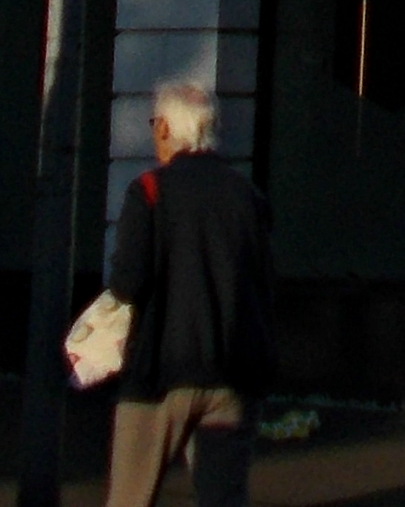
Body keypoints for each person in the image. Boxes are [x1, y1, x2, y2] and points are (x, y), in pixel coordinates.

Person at [103, 78, 277, 507]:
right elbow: (264, 284)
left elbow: (128, 282)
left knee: (130, 498)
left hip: (160, 373)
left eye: (153, 124)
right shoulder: (248, 196)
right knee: (223, 499)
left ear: (164, 128)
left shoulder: (149, 191)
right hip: (233, 374)